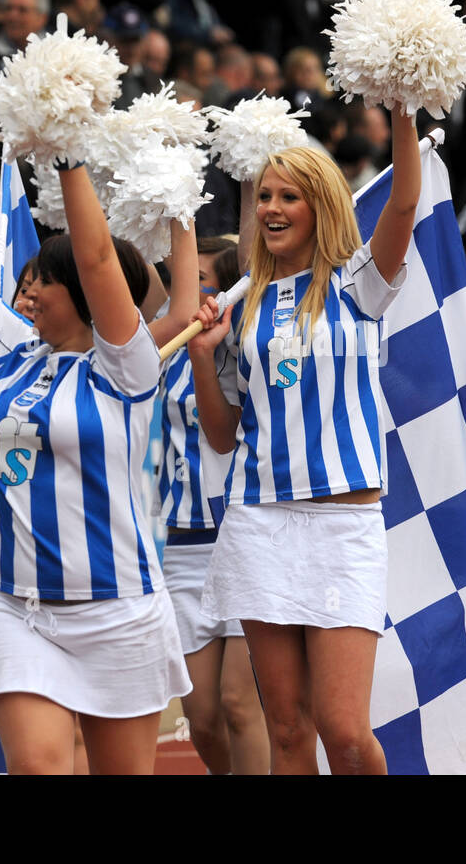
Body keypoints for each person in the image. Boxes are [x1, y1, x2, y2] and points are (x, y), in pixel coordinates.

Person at [0, 168, 193, 774]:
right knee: (38, 768)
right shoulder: (13, 353)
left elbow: (97, 257)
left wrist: (67, 162)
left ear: (85, 292)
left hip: (118, 609)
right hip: (19, 607)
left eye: (44, 281)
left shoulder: (128, 365)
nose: (28, 293)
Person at [186, 107, 420, 775]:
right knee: (287, 732)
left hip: (342, 523)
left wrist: (399, 108)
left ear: (321, 205)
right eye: (264, 195)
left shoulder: (358, 284)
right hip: (258, 521)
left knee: (345, 733)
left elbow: (404, 200)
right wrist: (204, 355)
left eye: (289, 196)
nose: (272, 208)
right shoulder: (241, 304)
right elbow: (222, 435)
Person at [159, 236, 268, 774]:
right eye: (190, 277)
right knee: (200, 717)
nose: (194, 290)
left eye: (206, 279)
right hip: (181, 546)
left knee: (239, 704)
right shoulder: (161, 349)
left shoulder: (249, 346)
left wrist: (250, 175)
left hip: (242, 536)